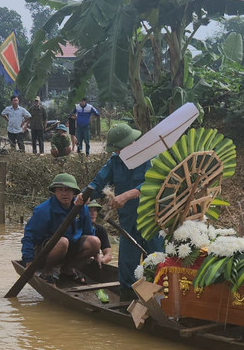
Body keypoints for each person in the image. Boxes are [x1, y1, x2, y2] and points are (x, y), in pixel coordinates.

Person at [78, 123, 161, 299]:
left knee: (157, 262)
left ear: (130, 144)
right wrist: (85, 194)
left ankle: (160, 299)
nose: (115, 153)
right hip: (128, 222)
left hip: (152, 221)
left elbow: (153, 183)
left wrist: (126, 196)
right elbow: (98, 182)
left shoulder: (149, 157)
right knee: (127, 264)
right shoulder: (115, 162)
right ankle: (127, 300)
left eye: (118, 149)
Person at [21, 173, 100, 283]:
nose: (64, 194)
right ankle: (47, 271)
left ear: (74, 192)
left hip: (70, 250)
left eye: (68, 190)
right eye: (60, 190)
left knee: (95, 242)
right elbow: (29, 237)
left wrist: (96, 254)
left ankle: (67, 268)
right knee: (62, 242)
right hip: (45, 252)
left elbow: (88, 232)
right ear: (55, 191)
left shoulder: (81, 207)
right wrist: (29, 262)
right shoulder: (44, 210)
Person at [86, 201, 113, 266]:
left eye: (95, 211)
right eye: (89, 210)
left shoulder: (100, 230)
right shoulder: (76, 227)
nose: (93, 213)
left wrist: (102, 260)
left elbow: (108, 255)